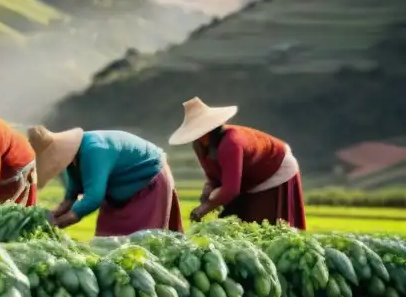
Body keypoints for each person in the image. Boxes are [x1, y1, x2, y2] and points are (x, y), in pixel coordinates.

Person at [168, 97, 306, 229]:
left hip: (273, 169)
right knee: (237, 224)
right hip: (246, 177)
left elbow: (231, 189)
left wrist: (204, 208)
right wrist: (208, 189)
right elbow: (212, 176)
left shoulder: (231, 143)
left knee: (262, 224)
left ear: (209, 129)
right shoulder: (200, 146)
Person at [28, 126, 183, 236]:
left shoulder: (94, 149)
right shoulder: (73, 162)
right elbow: (71, 196)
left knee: (142, 245)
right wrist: (50, 216)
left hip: (147, 182)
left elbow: (93, 198)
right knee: (108, 241)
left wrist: (60, 222)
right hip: (117, 193)